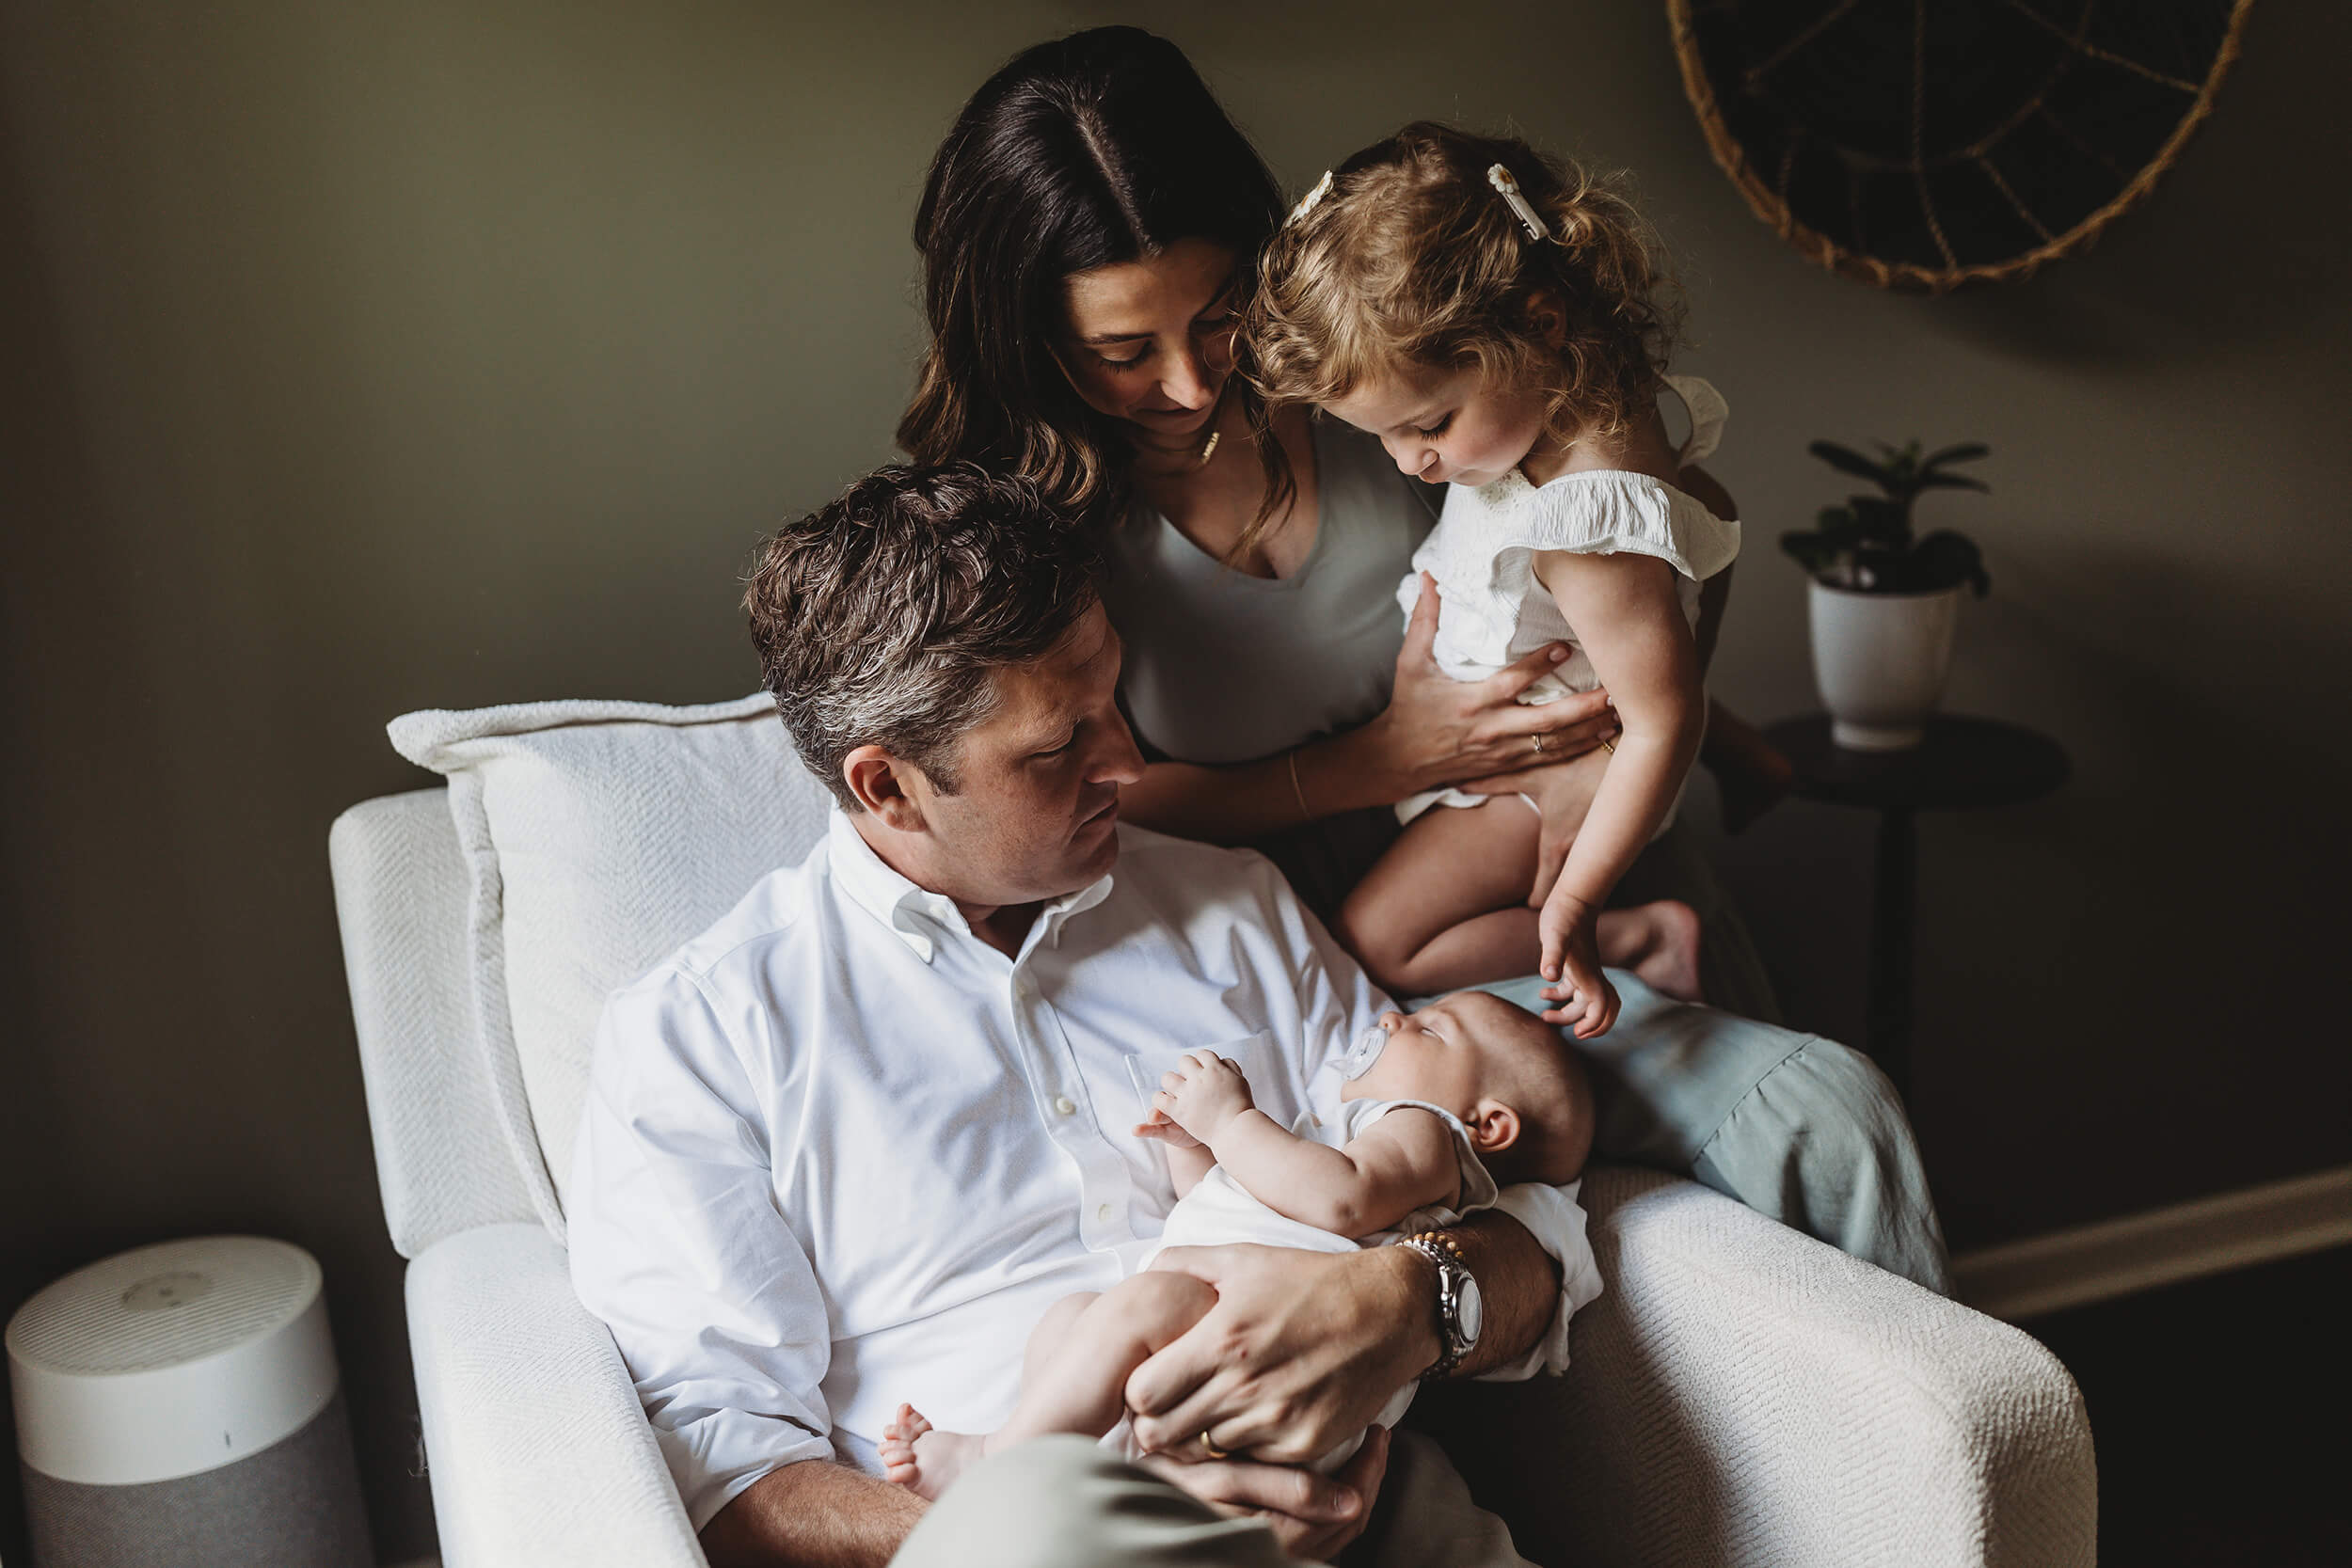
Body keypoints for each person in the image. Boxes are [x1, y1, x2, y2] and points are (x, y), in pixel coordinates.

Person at [898, 25, 1948, 1291]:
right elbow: (1089, 798)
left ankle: (1950, 1461)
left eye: (1219, 317)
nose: (1187, 384)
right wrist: (1378, 759)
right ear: (1032, 341)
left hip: (1550, 852)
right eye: (1123, 353)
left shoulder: (1379, 362)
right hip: (1339, 967)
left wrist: (1619, 731)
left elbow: (1662, 527)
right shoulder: (1034, 520)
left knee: (1830, 1118)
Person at [570, 464, 1595, 1568]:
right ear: (888, 787)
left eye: (1115, 696)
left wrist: (1411, 1304)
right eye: (1060, 746)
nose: (1130, 762)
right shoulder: (703, 1037)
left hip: (1362, 1513)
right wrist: (1077, 1519)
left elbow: (1537, 1229)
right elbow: (721, 1474)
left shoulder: (1232, 903)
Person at [1248, 123, 1737, 1037]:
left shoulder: (1585, 517)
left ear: (1538, 324)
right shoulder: (1577, 407)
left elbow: (1666, 713)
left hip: (1534, 773)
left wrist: (1579, 904)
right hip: (1505, 760)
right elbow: (1719, 544)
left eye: (1428, 422)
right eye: (1383, 436)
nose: (1410, 463)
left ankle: (1644, 938)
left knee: (1375, 940)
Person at [878, 992, 1596, 1501]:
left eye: (1431, 1029)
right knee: (1072, 1318)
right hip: (1217, 1360)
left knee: (1138, 1304)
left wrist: (1231, 1118)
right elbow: (1224, 1209)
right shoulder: (1336, 1134)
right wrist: (1199, 1150)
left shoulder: (1425, 1132)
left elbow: (1338, 1198)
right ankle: (1053, 1467)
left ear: (1489, 1124)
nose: (1392, 1016)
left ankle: (993, 1459)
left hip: (1279, 1374)